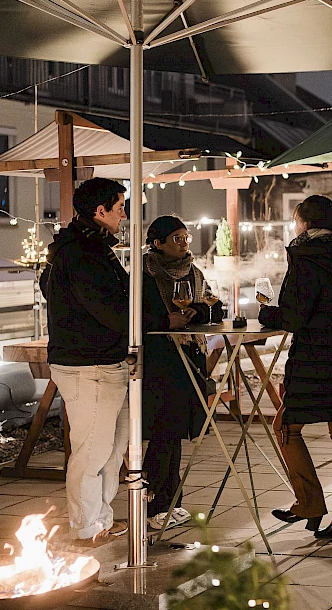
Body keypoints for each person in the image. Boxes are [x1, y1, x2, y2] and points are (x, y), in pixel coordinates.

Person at [259, 195, 332, 540]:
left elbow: (294, 316)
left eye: (295, 220)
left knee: (286, 427)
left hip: (315, 361)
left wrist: (267, 313)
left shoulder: (306, 257)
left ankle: (309, 502)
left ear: (306, 222)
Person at [41, 177, 130, 546]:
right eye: (120, 206)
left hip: (103, 360)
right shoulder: (81, 253)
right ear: (100, 211)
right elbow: (108, 309)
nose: (124, 213)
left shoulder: (87, 247)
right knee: (92, 448)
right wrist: (149, 320)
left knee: (112, 448)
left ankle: (100, 519)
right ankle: (84, 525)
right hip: (87, 364)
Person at [141, 215, 211, 532]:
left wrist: (195, 311)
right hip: (160, 361)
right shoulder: (144, 276)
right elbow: (138, 315)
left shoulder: (194, 273)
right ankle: (154, 502)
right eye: (177, 239)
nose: (184, 243)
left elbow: (212, 303)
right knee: (163, 432)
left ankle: (173, 502)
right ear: (157, 243)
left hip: (188, 358)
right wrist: (166, 321)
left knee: (177, 431)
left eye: (186, 237)